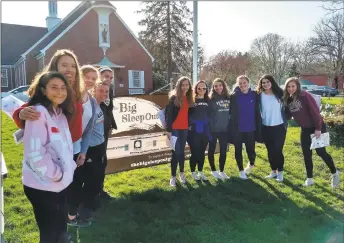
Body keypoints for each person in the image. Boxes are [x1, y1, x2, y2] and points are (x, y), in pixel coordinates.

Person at [22, 72, 76, 243]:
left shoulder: (59, 112)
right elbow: (35, 153)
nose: (60, 92)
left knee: (61, 229)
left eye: (63, 88)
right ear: (43, 90)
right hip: (43, 186)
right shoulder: (38, 113)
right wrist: (57, 175)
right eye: (54, 87)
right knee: (49, 234)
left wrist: (69, 168)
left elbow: (64, 145)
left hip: (59, 184)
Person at [12, 49, 84, 145]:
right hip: (53, 150)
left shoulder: (74, 90)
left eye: (73, 66)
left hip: (72, 146)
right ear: (55, 68)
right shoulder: (51, 90)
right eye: (64, 65)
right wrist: (20, 114)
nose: (70, 69)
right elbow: (30, 107)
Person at [283, 77, 340, 187]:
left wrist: (318, 128)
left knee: (321, 152)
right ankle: (310, 179)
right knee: (306, 154)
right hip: (304, 129)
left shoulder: (305, 96)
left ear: (297, 86)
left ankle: (334, 173)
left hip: (317, 126)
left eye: (293, 86)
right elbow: (289, 115)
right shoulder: (288, 99)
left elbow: (315, 112)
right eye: (288, 86)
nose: (291, 89)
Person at [67, 65, 99, 227]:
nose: (90, 81)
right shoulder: (69, 96)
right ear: (80, 76)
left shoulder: (92, 103)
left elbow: (88, 131)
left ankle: (71, 217)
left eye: (94, 78)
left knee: (76, 182)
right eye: (87, 76)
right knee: (63, 183)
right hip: (61, 148)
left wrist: (83, 152)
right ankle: (62, 218)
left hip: (77, 148)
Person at [79, 79, 110, 221]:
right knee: (91, 178)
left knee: (98, 176)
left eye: (106, 91)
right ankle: (85, 209)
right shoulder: (89, 106)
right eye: (101, 90)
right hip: (90, 147)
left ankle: (93, 202)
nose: (104, 94)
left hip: (99, 145)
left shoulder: (99, 106)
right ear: (94, 91)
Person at [228, 75, 262, 180]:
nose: (243, 85)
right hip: (238, 129)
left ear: (248, 82)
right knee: (238, 150)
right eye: (240, 83)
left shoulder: (254, 95)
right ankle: (241, 171)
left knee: (251, 150)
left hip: (251, 128)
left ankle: (251, 164)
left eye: (244, 82)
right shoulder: (234, 96)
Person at [256, 74, 288, 182]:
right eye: (263, 83)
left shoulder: (280, 94)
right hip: (266, 127)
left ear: (272, 82)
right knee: (270, 150)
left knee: (278, 150)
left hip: (279, 126)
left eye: (267, 82)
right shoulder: (259, 96)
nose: (265, 84)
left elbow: (289, 106)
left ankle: (280, 172)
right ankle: (273, 171)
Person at [166, 76, 194, 186]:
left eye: (187, 85)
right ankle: (173, 176)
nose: (185, 87)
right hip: (175, 129)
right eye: (183, 85)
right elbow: (169, 115)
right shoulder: (174, 98)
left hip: (185, 129)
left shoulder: (190, 98)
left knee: (181, 152)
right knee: (175, 153)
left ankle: (181, 173)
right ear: (179, 85)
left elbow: (189, 114)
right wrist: (169, 130)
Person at [98, 66, 117, 199]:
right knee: (97, 161)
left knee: (103, 161)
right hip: (96, 131)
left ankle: (99, 189)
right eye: (106, 76)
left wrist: (111, 125)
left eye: (111, 77)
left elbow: (109, 109)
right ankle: (93, 192)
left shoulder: (109, 90)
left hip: (105, 129)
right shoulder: (95, 91)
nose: (109, 79)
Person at [208, 78, 231, 179]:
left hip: (224, 130)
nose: (218, 88)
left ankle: (221, 171)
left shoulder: (228, 97)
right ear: (213, 87)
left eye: (220, 85)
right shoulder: (210, 99)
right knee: (211, 150)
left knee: (223, 150)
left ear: (223, 86)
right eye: (215, 86)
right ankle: (213, 170)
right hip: (213, 130)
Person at [188, 80, 211, 181]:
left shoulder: (208, 100)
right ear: (195, 89)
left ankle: (200, 171)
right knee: (195, 152)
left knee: (202, 152)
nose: (202, 90)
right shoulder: (191, 101)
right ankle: (193, 172)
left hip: (205, 131)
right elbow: (187, 115)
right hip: (194, 132)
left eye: (204, 88)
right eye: (199, 88)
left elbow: (211, 115)